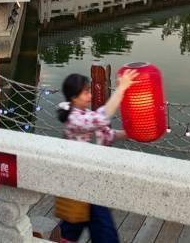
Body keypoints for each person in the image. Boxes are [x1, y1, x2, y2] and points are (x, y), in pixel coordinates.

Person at [56, 70, 137, 242]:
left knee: (74, 225)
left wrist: (130, 133)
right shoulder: (74, 119)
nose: (90, 95)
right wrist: (121, 88)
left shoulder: (85, 116)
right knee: (104, 232)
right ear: (73, 97)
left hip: (90, 182)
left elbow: (107, 134)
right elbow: (102, 117)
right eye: (85, 92)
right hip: (83, 183)